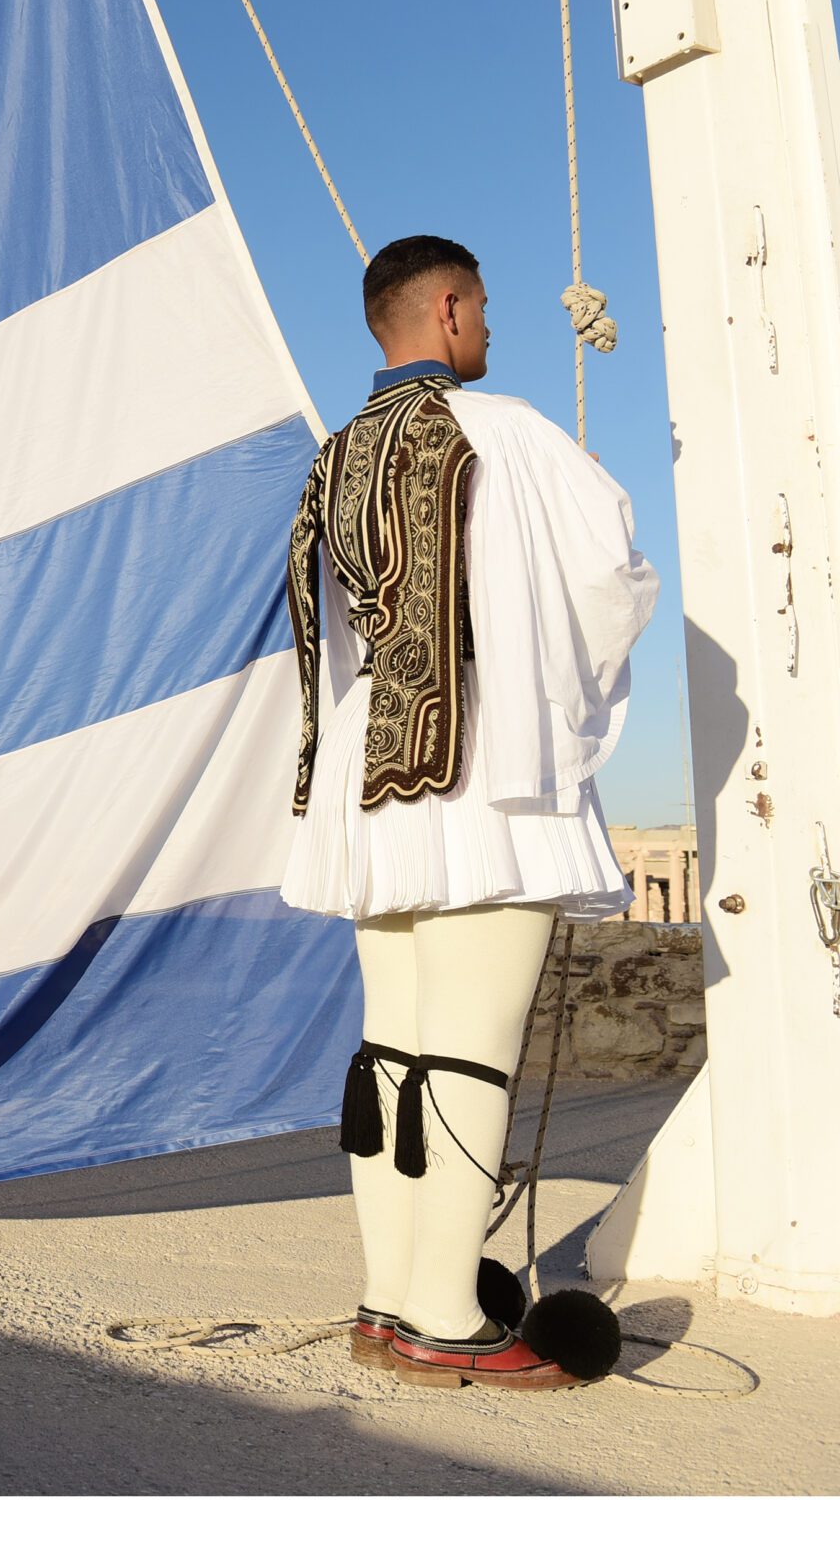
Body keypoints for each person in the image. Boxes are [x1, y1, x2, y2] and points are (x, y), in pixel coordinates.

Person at [281, 237, 657, 1389]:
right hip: (477, 764)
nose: (488, 328)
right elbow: (612, 582)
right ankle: (448, 1317)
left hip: (364, 773)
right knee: (468, 1053)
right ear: (445, 309)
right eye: (482, 307)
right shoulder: (507, 433)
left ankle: (389, 1303)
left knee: (391, 1053)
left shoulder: (331, 458)